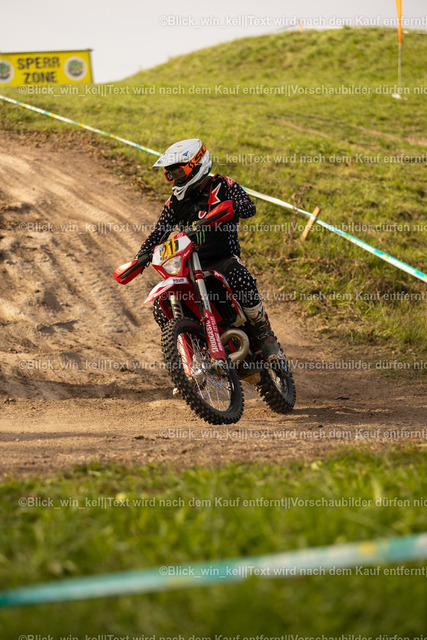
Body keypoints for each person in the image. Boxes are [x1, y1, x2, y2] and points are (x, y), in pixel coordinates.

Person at [136, 138, 283, 362]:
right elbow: (159, 232)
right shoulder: (175, 202)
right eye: (171, 174)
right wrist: (139, 258)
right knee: (161, 304)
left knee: (239, 277)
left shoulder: (223, 185)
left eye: (178, 172)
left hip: (223, 258)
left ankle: (264, 334)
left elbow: (249, 208)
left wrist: (231, 207)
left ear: (196, 164)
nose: (175, 178)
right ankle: (190, 354)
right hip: (190, 264)